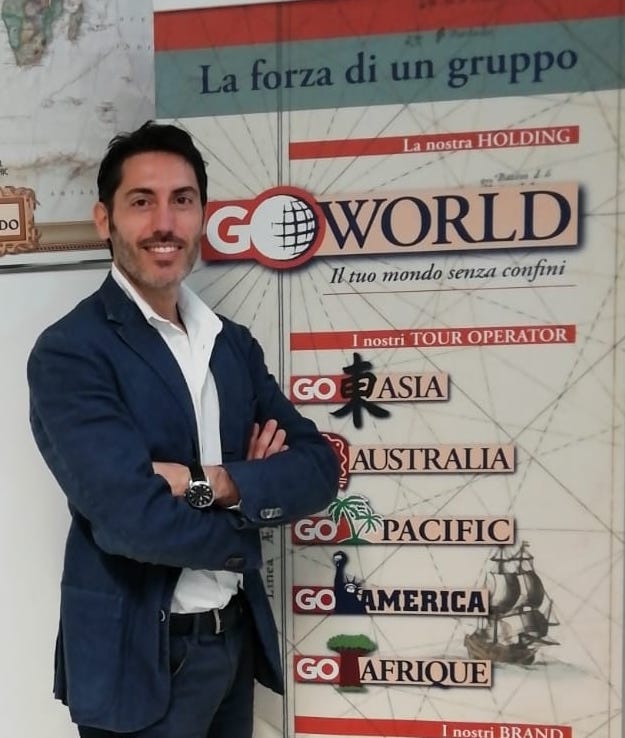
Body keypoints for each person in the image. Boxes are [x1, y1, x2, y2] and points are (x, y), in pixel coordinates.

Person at [27, 121, 339, 738]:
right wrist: (251, 509)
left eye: (183, 200)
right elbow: (128, 519)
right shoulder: (72, 352)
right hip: (137, 663)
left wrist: (210, 482)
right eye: (142, 202)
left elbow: (317, 465)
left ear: (203, 216)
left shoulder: (231, 345)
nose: (164, 223)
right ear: (105, 219)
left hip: (233, 643)